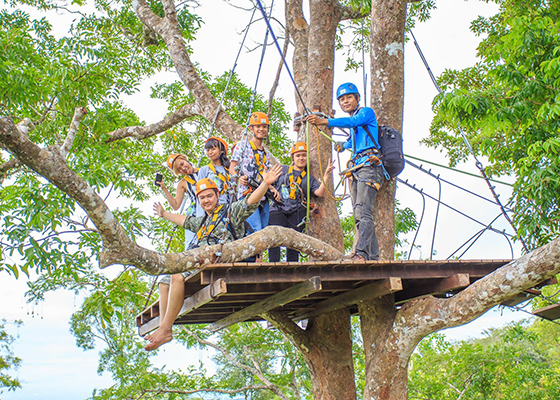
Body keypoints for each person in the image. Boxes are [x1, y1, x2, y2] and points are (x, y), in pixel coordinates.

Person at [145, 164, 283, 351]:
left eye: (209, 196)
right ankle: (164, 327)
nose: (206, 200)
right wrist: (163, 214)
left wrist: (265, 184)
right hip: (201, 261)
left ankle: (165, 329)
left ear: (217, 195)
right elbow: (184, 221)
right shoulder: (203, 221)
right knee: (164, 282)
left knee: (177, 276)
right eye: (202, 198)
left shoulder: (229, 212)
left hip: (218, 261)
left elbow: (249, 202)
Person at [306, 82, 383, 261]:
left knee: (363, 212)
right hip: (358, 168)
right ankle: (372, 256)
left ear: (357, 98)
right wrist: (343, 145)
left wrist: (325, 122)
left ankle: (362, 253)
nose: (345, 102)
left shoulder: (365, 113)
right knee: (359, 214)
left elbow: (352, 122)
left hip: (369, 167)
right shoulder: (357, 125)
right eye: (342, 99)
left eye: (349, 97)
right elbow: (353, 140)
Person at [268, 142, 334, 262]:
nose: (301, 158)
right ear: (292, 157)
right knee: (274, 238)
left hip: (296, 210)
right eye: (298, 155)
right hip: (278, 208)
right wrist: (273, 190)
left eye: (303, 155)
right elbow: (267, 182)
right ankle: (273, 265)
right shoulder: (282, 169)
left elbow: (319, 193)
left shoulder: (308, 178)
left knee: (294, 242)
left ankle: (292, 268)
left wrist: (326, 176)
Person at [229, 112, 280, 233]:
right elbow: (232, 168)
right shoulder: (241, 145)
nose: (261, 129)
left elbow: (263, 176)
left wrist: (272, 188)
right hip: (247, 194)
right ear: (251, 128)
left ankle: (260, 253)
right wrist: (239, 178)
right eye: (258, 126)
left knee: (263, 232)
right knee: (254, 230)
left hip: (262, 196)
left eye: (264, 127)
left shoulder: (266, 154)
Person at [196, 136, 235, 208]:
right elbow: (200, 194)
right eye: (208, 150)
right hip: (212, 209)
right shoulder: (204, 170)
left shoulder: (229, 170)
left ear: (221, 150)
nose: (210, 152)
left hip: (228, 208)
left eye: (213, 149)